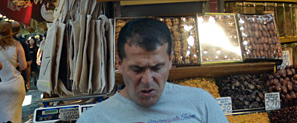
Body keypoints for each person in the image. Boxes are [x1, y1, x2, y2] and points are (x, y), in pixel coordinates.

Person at [77, 18, 228, 123]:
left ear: (170, 61)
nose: (148, 80)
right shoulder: (93, 119)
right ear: (119, 64)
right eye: (137, 69)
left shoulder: (201, 103)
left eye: (157, 68)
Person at [0, 20, 28, 123]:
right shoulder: (17, 45)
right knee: (14, 118)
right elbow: (23, 66)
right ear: (10, 32)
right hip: (15, 85)